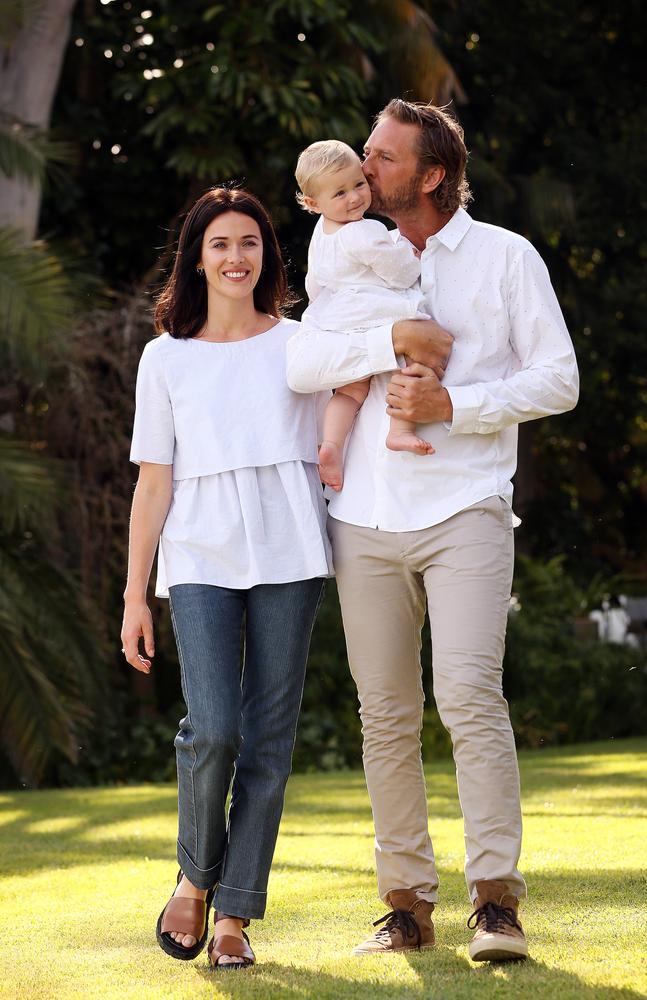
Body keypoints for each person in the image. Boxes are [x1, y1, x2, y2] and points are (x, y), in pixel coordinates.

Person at [287, 99, 579, 962]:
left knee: (469, 699)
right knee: (385, 715)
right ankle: (406, 907)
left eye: (381, 157)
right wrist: (393, 339)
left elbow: (558, 379)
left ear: (433, 174)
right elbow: (304, 362)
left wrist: (456, 404)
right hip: (364, 521)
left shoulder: (504, 258)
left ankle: (496, 904)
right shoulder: (340, 252)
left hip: (466, 510)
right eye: (364, 155)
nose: (363, 168)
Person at [121, 187, 332, 970]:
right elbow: (152, 484)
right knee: (212, 730)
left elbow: (348, 406)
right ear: (197, 259)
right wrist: (134, 596)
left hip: (290, 552)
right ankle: (193, 876)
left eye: (250, 243)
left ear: (268, 256)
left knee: (269, 740)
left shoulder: (301, 343)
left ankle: (236, 913)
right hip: (201, 555)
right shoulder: (165, 358)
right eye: (220, 245)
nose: (236, 257)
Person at [295, 139, 436, 492]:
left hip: (336, 319)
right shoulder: (363, 231)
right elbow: (401, 273)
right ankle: (401, 430)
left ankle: (331, 445)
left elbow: (315, 284)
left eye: (358, 184)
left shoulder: (321, 234)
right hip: (372, 312)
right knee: (416, 352)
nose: (355, 197)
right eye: (340, 194)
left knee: (350, 392)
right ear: (313, 203)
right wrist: (411, 251)